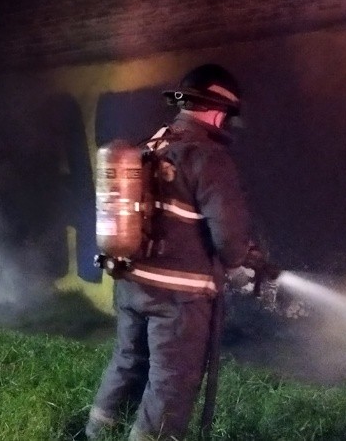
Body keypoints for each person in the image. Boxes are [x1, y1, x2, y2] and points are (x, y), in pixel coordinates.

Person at [86, 64, 252, 440]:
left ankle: (97, 432)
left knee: (128, 362)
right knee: (171, 382)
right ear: (216, 110)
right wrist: (241, 259)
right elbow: (231, 241)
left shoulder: (151, 146)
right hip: (178, 299)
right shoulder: (207, 157)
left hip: (131, 284)